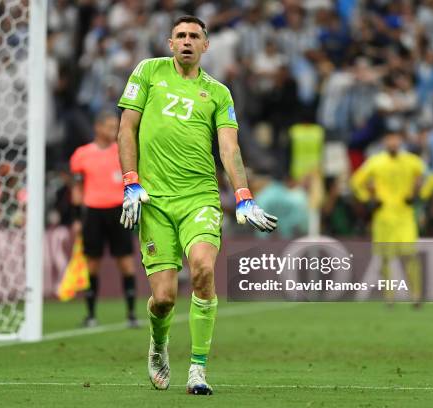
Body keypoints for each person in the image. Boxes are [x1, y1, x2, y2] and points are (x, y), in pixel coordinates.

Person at [116, 16, 278, 395]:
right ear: (170, 43)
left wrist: (243, 194)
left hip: (200, 198)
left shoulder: (218, 93)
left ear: (206, 46)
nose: (187, 41)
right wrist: (130, 181)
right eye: (181, 36)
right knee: (164, 299)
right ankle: (159, 344)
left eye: (194, 36)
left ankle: (198, 370)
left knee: (204, 269)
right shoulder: (148, 71)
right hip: (153, 200)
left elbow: (229, 148)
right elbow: (127, 128)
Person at [351, 127, 433, 307]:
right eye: (389, 139)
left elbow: (431, 178)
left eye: (395, 139)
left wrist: (420, 195)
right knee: (385, 258)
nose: (392, 142)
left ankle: (416, 295)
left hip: (405, 215)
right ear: (384, 141)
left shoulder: (412, 161)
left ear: (401, 140)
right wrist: (368, 200)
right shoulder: (375, 162)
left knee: (410, 256)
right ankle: (389, 297)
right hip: (383, 216)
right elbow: (356, 181)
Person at [69, 110, 138, 328]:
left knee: (126, 263)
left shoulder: (123, 152)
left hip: (119, 211)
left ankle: (131, 314)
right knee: (92, 265)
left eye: (115, 126)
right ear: (98, 128)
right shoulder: (82, 154)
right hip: (93, 213)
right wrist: (77, 218)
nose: (114, 130)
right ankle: (90, 315)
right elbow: (77, 189)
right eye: (110, 126)